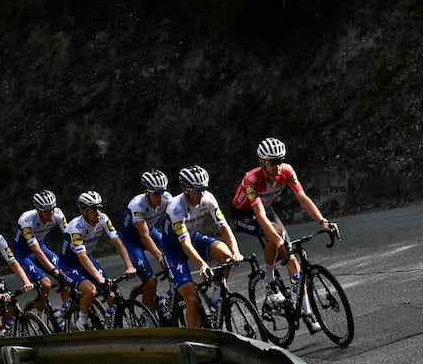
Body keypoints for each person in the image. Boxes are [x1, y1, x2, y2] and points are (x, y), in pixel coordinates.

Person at [231, 137, 340, 333]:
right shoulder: (252, 179)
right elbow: (260, 216)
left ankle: (307, 313)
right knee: (277, 235)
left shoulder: (287, 171)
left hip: (266, 209)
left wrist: (323, 221)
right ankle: (268, 280)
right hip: (244, 214)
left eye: (281, 160)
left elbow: (303, 198)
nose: (278, 166)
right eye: (273, 162)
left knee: (293, 262)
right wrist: (276, 237)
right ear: (262, 163)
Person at [160, 165, 244, 328]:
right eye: (197, 190)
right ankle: (196, 340)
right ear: (185, 189)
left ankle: (215, 298)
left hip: (194, 238)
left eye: (204, 189)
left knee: (226, 256)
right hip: (173, 248)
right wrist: (202, 264)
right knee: (191, 298)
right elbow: (184, 243)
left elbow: (224, 227)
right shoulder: (176, 208)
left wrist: (236, 251)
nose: (201, 194)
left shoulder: (208, 199)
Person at [57, 190, 137, 330]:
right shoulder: (75, 227)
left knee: (110, 292)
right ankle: (82, 320)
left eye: (100, 207)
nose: (98, 212)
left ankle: (111, 321)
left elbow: (117, 242)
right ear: (83, 211)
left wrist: (129, 266)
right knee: (91, 290)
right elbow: (81, 257)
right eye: (93, 209)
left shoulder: (103, 219)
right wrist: (99, 278)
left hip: (86, 258)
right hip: (68, 264)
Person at [119, 169, 172, 314]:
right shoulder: (137, 205)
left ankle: (171, 297)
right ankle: (148, 317)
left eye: (162, 192)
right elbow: (144, 236)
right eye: (156, 193)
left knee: (172, 258)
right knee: (151, 281)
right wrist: (160, 255)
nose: (160, 197)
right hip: (132, 240)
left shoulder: (167, 199)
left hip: (151, 231)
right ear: (146, 192)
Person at [11, 190, 70, 316]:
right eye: (47, 211)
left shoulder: (58, 214)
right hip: (22, 253)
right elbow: (36, 250)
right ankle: (40, 313)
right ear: (38, 210)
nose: (51, 214)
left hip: (41, 246)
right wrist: (54, 269)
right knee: (46, 284)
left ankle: (67, 309)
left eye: (53, 209)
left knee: (66, 273)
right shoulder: (26, 220)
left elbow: (71, 239)